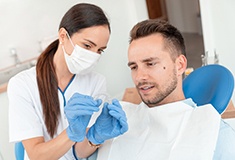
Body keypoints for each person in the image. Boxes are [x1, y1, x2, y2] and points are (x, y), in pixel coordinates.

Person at [97, 19, 235, 160]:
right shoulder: (119, 123)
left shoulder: (215, 136)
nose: (139, 77)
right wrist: (88, 141)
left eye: (150, 64)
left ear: (180, 65)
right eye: (134, 67)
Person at [8, 3, 128, 160]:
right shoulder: (23, 85)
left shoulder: (96, 82)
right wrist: (71, 133)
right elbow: (36, 155)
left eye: (99, 50)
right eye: (87, 45)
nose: (93, 55)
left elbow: (79, 153)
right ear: (63, 36)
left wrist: (96, 136)